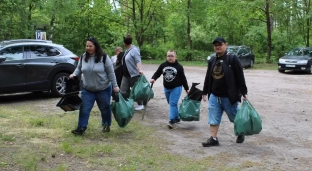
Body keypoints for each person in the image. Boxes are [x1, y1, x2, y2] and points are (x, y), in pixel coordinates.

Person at [201, 36, 248, 147]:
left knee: (234, 117)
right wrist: (204, 91)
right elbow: (208, 77)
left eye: (220, 45)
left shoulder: (232, 58)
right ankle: (213, 138)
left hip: (229, 96)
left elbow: (240, 76)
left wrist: (244, 92)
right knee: (213, 117)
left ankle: (241, 132)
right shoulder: (212, 59)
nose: (217, 47)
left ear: (225, 45)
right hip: (214, 95)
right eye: (215, 45)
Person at [69, 37, 119, 135]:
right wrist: (74, 74)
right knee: (84, 108)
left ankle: (106, 124)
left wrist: (115, 86)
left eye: (90, 46)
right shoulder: (83, 57)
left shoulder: (104, 57)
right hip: (87, 89)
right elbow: (79, 68)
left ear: (95, 46)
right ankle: (81, 128)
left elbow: (111, 73)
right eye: (87, 46)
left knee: (105, 109)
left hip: (103, 88)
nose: (88, 48)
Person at [150, 50, 189, 129]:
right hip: (166, 88)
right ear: (166, 57)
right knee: (171, 103)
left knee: (173, 103)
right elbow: (158, 73)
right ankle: (177, 117)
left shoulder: (179, 67)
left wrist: (187, 89)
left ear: (175, 57)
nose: (170, 58)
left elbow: (183, 78)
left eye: (172, 56)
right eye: (168, 56)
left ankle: (171, 121)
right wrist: (153, 78)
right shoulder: (163, 65)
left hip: (176, 87)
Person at [120, 34, 144, 110]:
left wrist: (140, 69)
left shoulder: (135, 50)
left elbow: (138, 60)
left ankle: (141, 104)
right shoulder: (127, 50)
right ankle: (127, 103)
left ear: (124, 43)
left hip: (133, 74)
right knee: (123, 91)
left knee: (136, 90)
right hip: (125, 75)